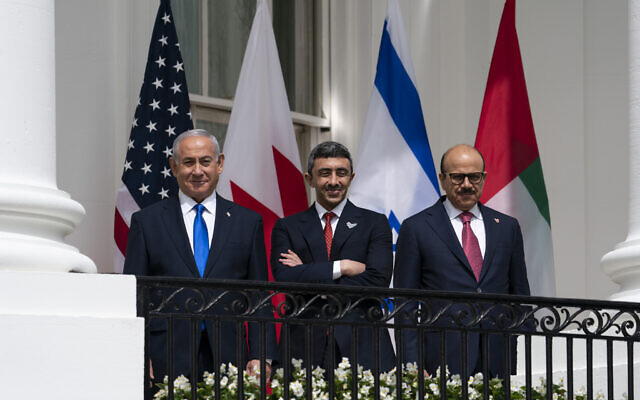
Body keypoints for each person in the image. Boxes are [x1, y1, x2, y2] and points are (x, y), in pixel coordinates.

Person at [123, 129, 277, 382]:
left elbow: (260, 295)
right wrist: (139, 351)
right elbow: (136, 293)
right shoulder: (147, 222)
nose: (197, 171)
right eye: (188, 162)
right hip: (166, 356)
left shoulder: (247, 222)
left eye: (205, 161)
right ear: (173, 167)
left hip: (230, 356)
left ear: (220, 164)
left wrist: (262, 354)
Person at [394, 144, 530, 377]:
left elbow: (520, 297)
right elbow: (404, 303)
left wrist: (528, 357)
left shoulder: (507, 227)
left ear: (484, 178)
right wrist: (413, 364)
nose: (467, 185)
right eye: (457, 177)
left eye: (474, 177)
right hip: (441, 358)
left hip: (498, 356)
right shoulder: (416, 228)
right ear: (442, 179)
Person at [270, 141, 396, 372]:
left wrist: (306, 273)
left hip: (363, 345)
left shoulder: (375, 223)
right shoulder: (287, 226)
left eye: (342, 173)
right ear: (309, 179)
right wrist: (343, 266)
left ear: (352, 177)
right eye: (325, 173)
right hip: (303, 345)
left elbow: (378, 281)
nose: (334, 181)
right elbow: (284, 278)